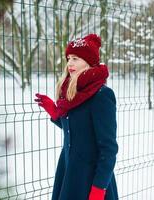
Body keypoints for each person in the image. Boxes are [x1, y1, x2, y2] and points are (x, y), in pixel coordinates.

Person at [35, 33, 118, 200]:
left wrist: (99, 188)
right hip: (69, 171)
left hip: (91, 176)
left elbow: (108, 149)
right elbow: (78, 130)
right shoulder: (72, 92)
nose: (70, 63)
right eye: (69, 58)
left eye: (76, 59)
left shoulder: (101, 95)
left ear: (89, 62)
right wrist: (55, 113)